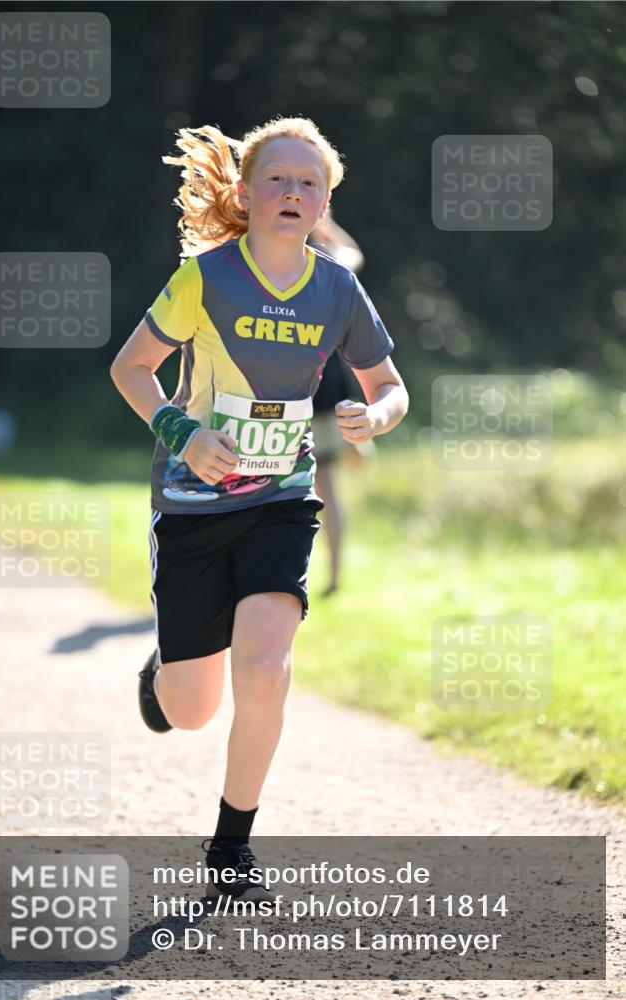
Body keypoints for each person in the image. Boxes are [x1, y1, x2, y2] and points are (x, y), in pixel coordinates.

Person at [110, 116, 409, 902]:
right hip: (191, 503)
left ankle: (232, 843)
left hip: (281, 498)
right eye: (277, 178)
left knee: (269, 670)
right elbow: (132, 367)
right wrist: (181, 429)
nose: (293, 191)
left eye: (309, 183)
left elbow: (388, 386)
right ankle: (165, 667)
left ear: (324, 205)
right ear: (245, 194)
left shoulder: (338, 288)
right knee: (190, 711)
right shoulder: (205, 276)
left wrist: (372, 418)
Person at [308, 209, 372, 596]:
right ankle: (333, 575)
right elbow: (354, 254)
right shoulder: (327, 262)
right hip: (328, 387)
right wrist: (325, 224)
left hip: (283, 390)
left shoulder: (273, 260)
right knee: (327, 485)